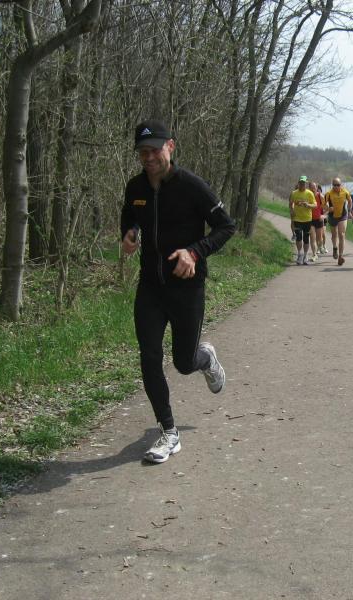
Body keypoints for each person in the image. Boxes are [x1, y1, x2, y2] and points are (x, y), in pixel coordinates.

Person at [121, 119, 236, 463]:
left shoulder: (192, 186)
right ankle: (168, 432)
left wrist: (194, 252)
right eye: (142, 152)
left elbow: (226, 226)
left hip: (187, 288)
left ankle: (205, 358)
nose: (148, 157)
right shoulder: (135, 187)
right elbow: (129, 216)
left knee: (184, 363)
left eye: (154, 150)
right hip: (150, 287)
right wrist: (129, 233)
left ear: (170, 146)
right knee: (149, 356)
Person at [288, 175, 317, 265]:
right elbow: (290, 203)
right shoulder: (294, 193)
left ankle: (305, 255)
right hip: (297, 219)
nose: (302, 184)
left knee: (306, 238)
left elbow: (315, 205)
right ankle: (299, 254)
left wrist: (308, 205)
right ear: (298, 183)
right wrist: (292, 210)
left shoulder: (310, 193)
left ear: (306, 184)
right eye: (301, 183)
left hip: (307, 219)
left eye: (303, 183)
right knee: (298, 237)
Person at [324, 177, 352, 266]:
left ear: (341, 184)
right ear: (332, 185)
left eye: (338, 185)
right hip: (332, 217)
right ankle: (335, 247)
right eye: (334, 185)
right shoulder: (328, 194)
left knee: (342, 235)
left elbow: (350, 201)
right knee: (334, 235)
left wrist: (349, 211)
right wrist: (328, 208)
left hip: (343, 216)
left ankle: (340, 256)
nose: (336, 187)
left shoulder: (345, 192)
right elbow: (323, 205)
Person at [308, 181, 325, 261]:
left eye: (314, 187)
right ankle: (314, 255)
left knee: (319, 238)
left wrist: (324, 215)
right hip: (310, 219)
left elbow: (327, 207)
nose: (313, 189)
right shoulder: (307, 196)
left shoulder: (320, 196)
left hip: (319, 219)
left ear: (317, 188)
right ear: (309, 188)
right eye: (311, 187)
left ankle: (320, 246)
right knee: (312, 238)